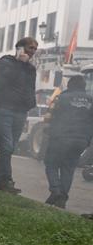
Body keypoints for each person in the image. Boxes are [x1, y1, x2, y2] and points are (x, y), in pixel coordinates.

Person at [0, 37, 39, 193]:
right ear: (20, 48)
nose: (33, 51)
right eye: (30, 47)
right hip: (3, 109)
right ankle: (6, 180)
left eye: (35, 49)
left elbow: (31, 88)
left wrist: (31, 104)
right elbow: (3, 81)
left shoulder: (31, 68)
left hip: (20, 112)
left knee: (8, 148)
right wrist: (19, 62)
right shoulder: (5, 62)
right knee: (7, 146)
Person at [43, 74, 93, 209]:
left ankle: (56, 191)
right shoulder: (91, 100)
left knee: (51, 164)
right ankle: (62, 198)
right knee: (68, 168)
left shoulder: (61, 98)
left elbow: (48, 116)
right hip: (81, 141)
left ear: (69, 85)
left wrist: (48, 132)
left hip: (60, 137)